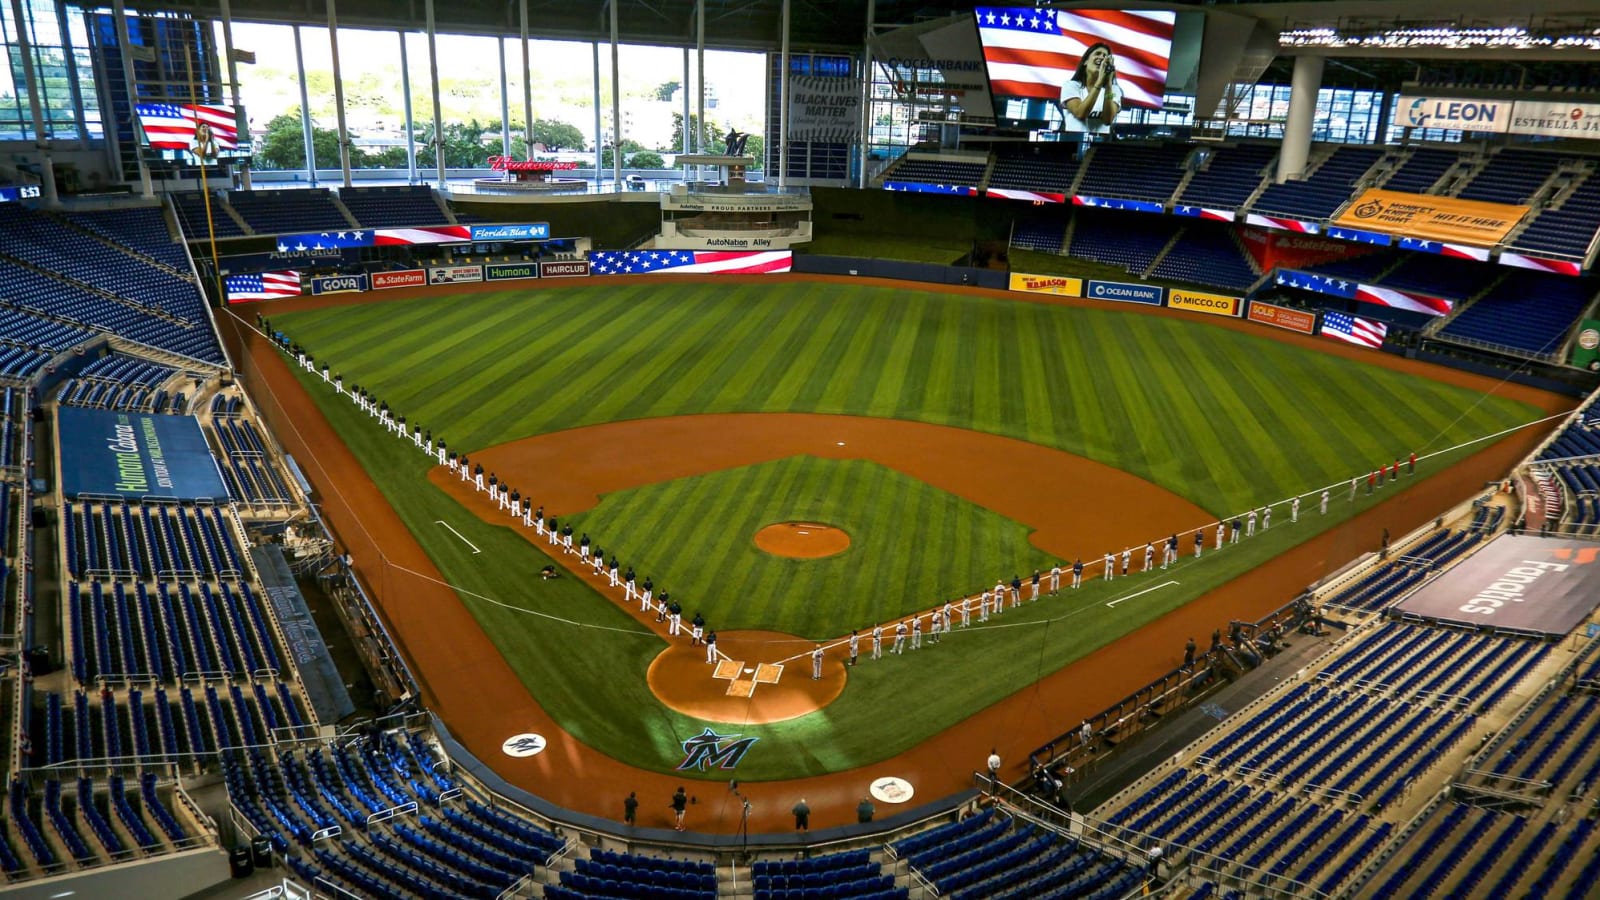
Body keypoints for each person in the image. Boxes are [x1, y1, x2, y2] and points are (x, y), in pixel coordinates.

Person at [1057, 42, 1122, 134]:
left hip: (1099, 145)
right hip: (1074, 143)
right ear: (1085, 61)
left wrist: (1108, 85)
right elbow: (1080, 113)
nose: (1102, 58)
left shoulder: (1113, 90)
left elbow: (1108, 120)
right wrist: (1099, 82)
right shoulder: (1071, 86)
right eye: (1097, 53)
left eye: (1105, 56)